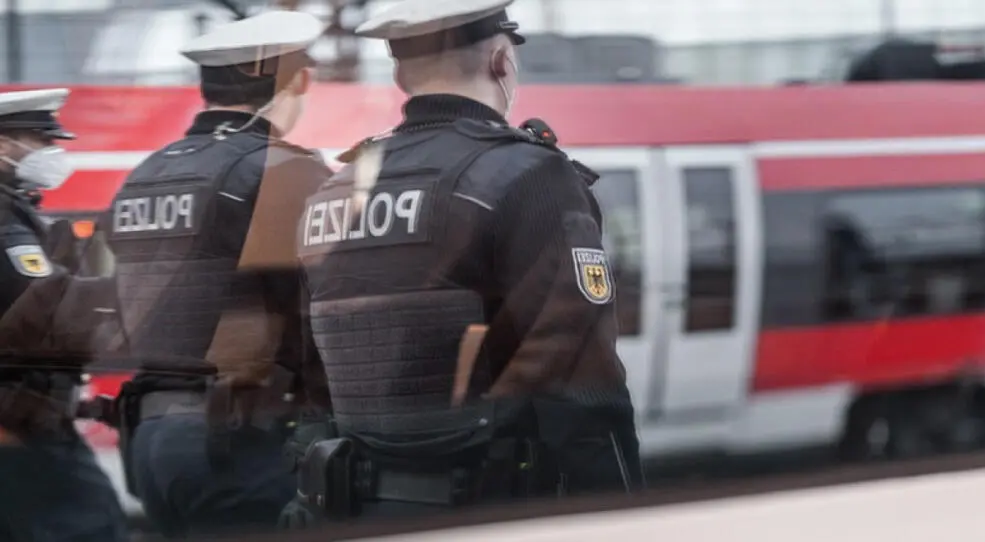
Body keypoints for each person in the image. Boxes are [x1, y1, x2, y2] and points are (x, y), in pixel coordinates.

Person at [293, 0, 644, 522]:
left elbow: (313, 368)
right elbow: (577, 376)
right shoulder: (528, 175)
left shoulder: (334, 190)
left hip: (355, 507)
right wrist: (622, 513)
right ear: (501, 61)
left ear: (399, 74)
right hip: (489, 506)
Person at [98, 10, 335, 538]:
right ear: (300, 80)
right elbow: (323, 308)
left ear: (207, 87)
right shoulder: (282, 169)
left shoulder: (146, 174)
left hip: (152, 439)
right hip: (242, 441)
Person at [0, 88, 129, 541]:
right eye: (41, 140)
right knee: (91, 526)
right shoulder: (6, 222)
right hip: (24, 426)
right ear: (3, 145)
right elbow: (46, 308)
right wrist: (127, 290)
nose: (52, 152)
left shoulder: (17, 212)